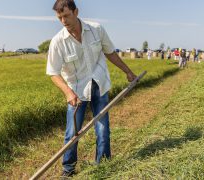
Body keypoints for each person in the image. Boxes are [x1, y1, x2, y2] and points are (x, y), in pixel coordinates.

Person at [46, 0, 137, 177]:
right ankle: (68, 169)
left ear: (76, 11)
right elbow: (53, 73)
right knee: (72, 132)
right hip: (77, 92)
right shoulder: (58, 42)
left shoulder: (96, 29)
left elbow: (110, 52)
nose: (63, 21)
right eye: (60, 17)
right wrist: (68, 92)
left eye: (66, 15)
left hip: (99, 84)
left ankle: (102, 164)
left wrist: (128, 71)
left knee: (103, 128)